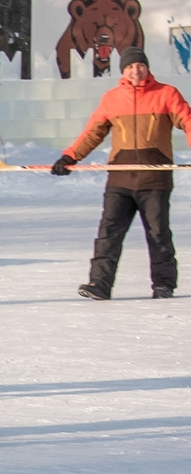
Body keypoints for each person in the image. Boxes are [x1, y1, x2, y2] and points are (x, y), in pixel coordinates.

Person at [54, 45, 191, 301]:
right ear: (123, 71)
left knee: (158, 233)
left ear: (147, 67)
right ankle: (99, 284)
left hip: (155, 179)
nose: (135, 71)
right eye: (129, 66)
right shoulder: (112, 98)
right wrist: (70, 156)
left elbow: (188, 120)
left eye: (139, 65)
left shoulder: (166, 94)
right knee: (108, 232)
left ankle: (163, 284)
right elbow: (93, 133)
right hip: (120, 178)